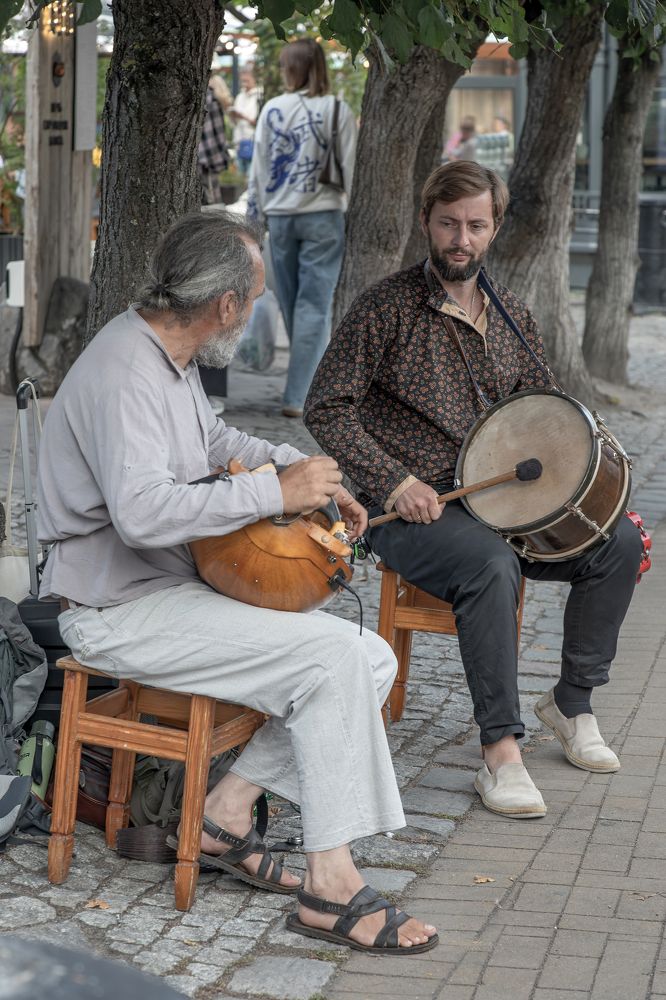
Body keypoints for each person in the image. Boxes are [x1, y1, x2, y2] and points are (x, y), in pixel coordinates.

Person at [35, 210, 437, 955]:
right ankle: (332, 885)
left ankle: (222, 812)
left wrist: (300, 473)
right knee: (337, 660)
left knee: (369, 654)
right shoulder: (126, 370)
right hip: (113, 609)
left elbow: (215, 443)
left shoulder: (169, 357)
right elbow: (143, 512)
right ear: (224, 305)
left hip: (162, 594)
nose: (251, 313)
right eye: (251, 299)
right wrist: (273, 494)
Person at [304, 161, 643, 820]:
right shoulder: (388, 306)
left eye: (476, 225)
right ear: (426, 222)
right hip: (414, 507)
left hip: (503, 504)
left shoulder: (512, 314)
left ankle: (572, 702)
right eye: (449, 224)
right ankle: (501, 752)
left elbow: (543, 415)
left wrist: (586, 478)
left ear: (494, 227)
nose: (462, 238)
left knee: (619, 543)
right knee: (490, 567)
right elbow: (326, 407)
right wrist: (393, 481)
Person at [247, 38, 357, 418]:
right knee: (312, 308)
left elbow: (258, 167)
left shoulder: (273, 108)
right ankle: (299, 396)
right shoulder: (336, 108)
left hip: (279, 217)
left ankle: (302, 388)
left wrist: (254, 215)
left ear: (290, 69)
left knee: (295, 306)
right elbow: (349, 165)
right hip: (323, 215)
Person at [198, 76, 230, 206]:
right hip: (208, 162)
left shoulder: (202, 97)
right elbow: (218, 137)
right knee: (212, 206)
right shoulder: (212, 99)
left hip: (199, 160)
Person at [229, 66, 259, 177]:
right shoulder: (240, 97)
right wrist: (233, 116)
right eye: (242, 81)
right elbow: (234, 123)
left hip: (253, 142)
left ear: (254, 80)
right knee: (239, 179)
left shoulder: (259, 97)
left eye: (247, 80)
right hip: (239, 142)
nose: (244, 83)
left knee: (251, 178)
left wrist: (243, 117)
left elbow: (258, 122)